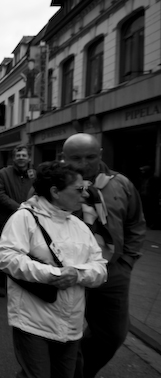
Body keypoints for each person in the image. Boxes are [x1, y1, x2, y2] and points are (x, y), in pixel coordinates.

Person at [0, 161, 107, 378]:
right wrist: (52, 275)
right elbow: (6, 257)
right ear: (55, 191)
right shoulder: (24, 217)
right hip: (32, 322)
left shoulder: (80, 226)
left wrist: (78, 274)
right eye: (79, 189)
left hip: (72, 325)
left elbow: (101, 269)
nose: (85, 195)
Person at [62, 133, 146, 378]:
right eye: (75, 158)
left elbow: (135, 224)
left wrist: (128, 261)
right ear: (64, 158)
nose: (83, 163)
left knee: (112, 334)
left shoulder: (120, 184)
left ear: (100, 154)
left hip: (113, 271)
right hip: (69, 273)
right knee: (63, 334)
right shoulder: (51, 186)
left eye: (90, 157)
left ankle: (81, 371)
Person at [0, 145, 35, 297]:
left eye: (24, 155)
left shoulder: (34, 175)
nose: (21, 158)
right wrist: (19, 209)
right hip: (7, 219)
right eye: (18, 155)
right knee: (5, 251)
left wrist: (29, 210)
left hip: (31, 220)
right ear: (13, 158)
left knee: (27, 252)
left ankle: (21, 282)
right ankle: (1, 281)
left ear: (29, 157)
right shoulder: (3, 173)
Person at [137, 165, 161, 229]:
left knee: (152, 211)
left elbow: (155, 190)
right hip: (144, 197)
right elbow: (142, 187)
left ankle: (153, 224)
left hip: (151, 198)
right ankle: (148, 223)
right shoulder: (143, 179)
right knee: (145, 211)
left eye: (144, 171)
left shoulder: (154, 179)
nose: (142, 173)